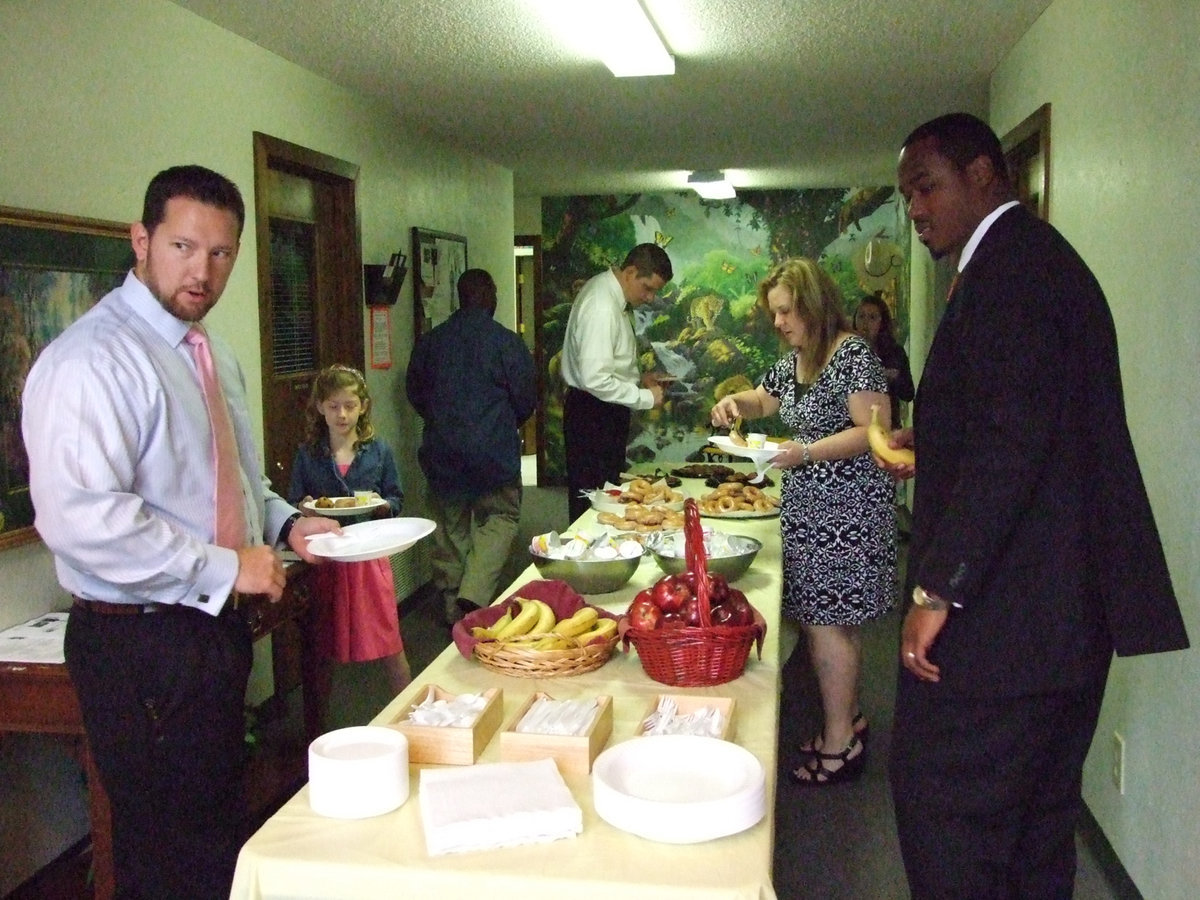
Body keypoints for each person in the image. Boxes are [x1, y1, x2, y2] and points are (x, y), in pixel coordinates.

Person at [882, 112, 1188, 898]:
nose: (915, 208)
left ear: (983, 175)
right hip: (1058, 623)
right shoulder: (1039, 264)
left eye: (927, 187)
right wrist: (934, 440)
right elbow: (1031, 423)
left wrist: (936, 588)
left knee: (946, 813)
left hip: (1007, 623)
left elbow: (1014, 441)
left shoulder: (1013, 273)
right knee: (1034, 833)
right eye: (907, 193)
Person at [21, 164, 340, 900]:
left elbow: (235, 482)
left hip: (209, 631)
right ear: (141, 240)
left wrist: (288, 524)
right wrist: (228, 568)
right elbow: (84, 522)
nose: (202, 271)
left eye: (220, 253)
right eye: (183, 247)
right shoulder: (90, 361)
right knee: (167, 854)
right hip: (137, 644)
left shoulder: (208, 353)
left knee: (214, 828)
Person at [710, 257, 897, 786]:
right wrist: (734, 402)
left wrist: (806, 452)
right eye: (774, 312)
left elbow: (874, 431)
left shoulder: (853, 355)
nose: (778, 322)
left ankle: (840, 744)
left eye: (786, 311)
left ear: (813, 305)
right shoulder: (798, 358)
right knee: (830, 624)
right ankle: (848, 720)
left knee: (827, 626)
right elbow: (762, 399)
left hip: (847, 511)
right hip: (812, 508)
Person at [405, 268, 536, 625]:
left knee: (451, 528)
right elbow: (526, 399)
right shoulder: (508, 343)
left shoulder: (430, 343)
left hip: (442, 452)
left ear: (459, 298)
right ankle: (474, 595)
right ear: (491, 297)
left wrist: (442, 422)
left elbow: (415, 394)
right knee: (501, 518)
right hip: (494, 454)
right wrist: (503, 424)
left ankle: (452, 600)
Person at [290, 364, 411, 732]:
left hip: (368, 557)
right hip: (326, 558)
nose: (341, 414)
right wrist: (304, 506)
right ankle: (317, 728)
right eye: (333, 406)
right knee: (323, 647)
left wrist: (384, 505)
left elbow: (396, 498)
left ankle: (411, 718)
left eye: (349, 405)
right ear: (320, 408)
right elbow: (295, 500)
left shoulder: (379, 451)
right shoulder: (308, 454)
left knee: (389, 642)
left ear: (363, 407)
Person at [561, 242, 672, 522]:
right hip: (593, 413)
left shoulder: (610, 295)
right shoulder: (602, 306)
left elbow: (603, 364)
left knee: (607, 494)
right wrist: (646, 398)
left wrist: (637, 378)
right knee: (593, 501)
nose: (650, 298)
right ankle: (588, 549)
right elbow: (595, 378)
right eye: (648, 288)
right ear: (630, 272)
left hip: (599, 409)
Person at [853, 291, 914, 428]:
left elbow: (908, 393)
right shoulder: (847, 351)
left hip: (887, 424)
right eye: (861, 316)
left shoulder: (894, 352)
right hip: (853, 426)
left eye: (872, 317)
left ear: (882, 322)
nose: (865, 323)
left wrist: (894, 378)